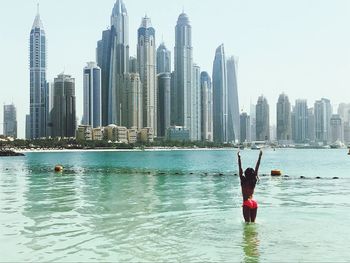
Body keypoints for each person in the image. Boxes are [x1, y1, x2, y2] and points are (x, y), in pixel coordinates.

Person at [237, 150, 263, 223]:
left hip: (246, 203)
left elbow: (240, 168)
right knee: (253, 223)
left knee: (247, 225)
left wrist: (239, 157)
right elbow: (257, 168)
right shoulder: (253, 181)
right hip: (253, 203)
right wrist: (260, 157)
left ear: (245, 174)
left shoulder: (243, 180)